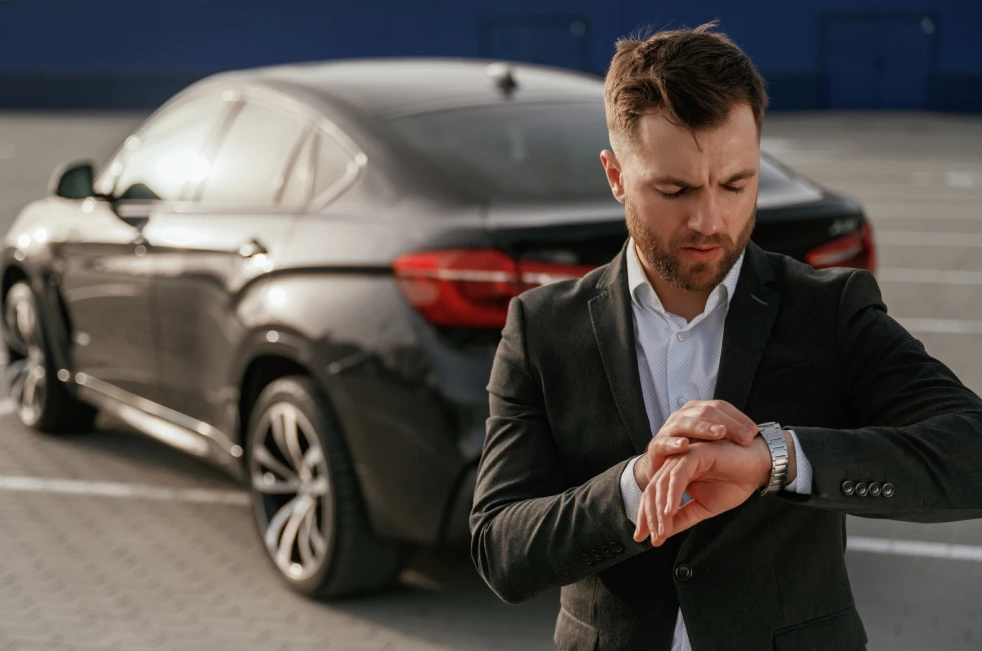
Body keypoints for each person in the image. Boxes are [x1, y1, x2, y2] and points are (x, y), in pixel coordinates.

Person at [469, 22, 982, 651]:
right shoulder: (542, 327)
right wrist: (633, 487)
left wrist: (779, 458)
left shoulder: (829, 311)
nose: (709, 219)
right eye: (675, 189)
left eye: (736, 184)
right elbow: (500, 548)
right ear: (615, 175)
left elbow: (972, 454)